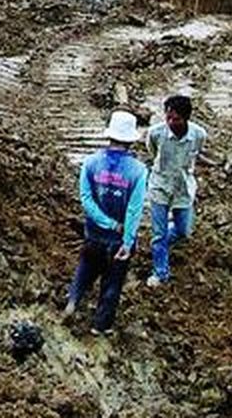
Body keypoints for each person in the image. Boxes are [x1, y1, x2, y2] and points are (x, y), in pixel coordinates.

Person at [63, 110, 147, 335]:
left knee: (85, 267)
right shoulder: (138, 171)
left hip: (93, 234)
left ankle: (73, 300)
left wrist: (104, 221)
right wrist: (127, 242)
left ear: (109, 136)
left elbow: (86, 200)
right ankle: (100, 326)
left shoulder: (90, 163)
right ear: (130, 140)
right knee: (112, 282)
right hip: (118, 240)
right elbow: (133, 210)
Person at [145, 94, 208, 287]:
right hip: (160, 186)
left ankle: (161, 243)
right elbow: (152, 152)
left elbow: (197, 154)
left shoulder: (198, 135)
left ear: (186, 118)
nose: (172, 122)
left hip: (183, 188)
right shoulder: (156, 133)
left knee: (183, 231)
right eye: (168, 118)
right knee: (158, 232)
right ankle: (160, 271)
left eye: (176, 119)